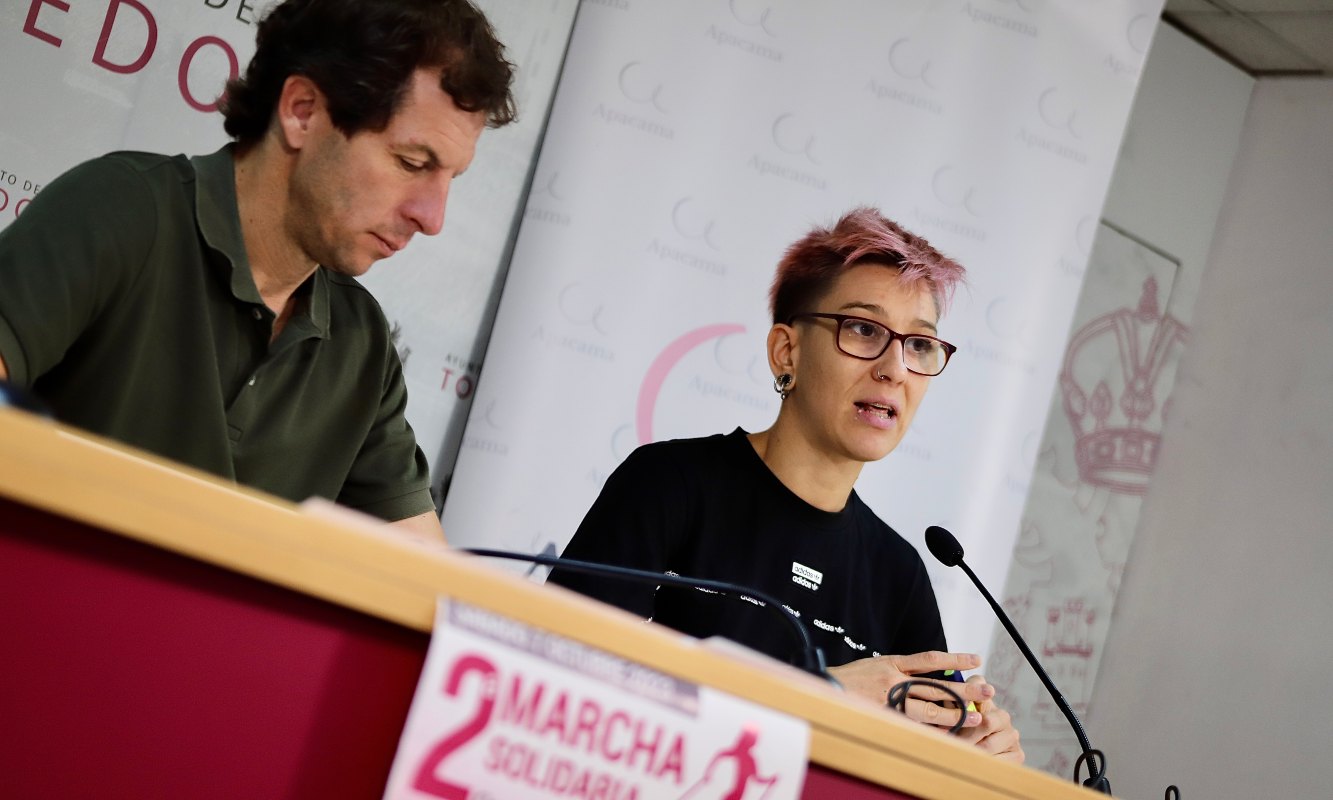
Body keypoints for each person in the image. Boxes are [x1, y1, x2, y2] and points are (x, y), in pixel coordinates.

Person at [0, 0, 517, 542]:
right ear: (302, 110)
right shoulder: (120, 210)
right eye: (412, 163)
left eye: (450, 178)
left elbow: (423, 581)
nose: (432, 218)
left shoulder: (362, 345)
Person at [548, 208, 1023, 761]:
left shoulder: (900, 575)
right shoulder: (668, 485)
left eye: (919, 344)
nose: (895, 368)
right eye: (865, 329)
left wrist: (977, 756)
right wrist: (824, 691)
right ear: (786, 351)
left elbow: (921, 758)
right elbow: (558, 673)